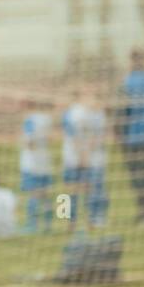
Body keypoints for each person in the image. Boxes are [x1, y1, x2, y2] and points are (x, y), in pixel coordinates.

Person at [114, 47, 144, 225]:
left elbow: (122, 111)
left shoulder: (127, 82)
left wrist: (119, 134)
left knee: (138, 176)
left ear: (132, 60)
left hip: (133, 138)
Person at [61, 85, 108, 229]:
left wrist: (86, 155)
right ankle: (68, 220)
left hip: (92, 159)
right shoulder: (72, 113)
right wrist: (82, 156)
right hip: (73, 158)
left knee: (93, 188)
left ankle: (94, 219)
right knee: (71, 189)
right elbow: (72, 136)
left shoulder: (98, 114)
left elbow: (97, 136)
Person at [19, 98, 53, 232]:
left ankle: (32, 224)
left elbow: (30, 142)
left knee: (33, 194)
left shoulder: (30, 120)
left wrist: (23, 143)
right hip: (45, 162)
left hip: (31, 163)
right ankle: (48, 224)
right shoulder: (47, 119)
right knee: (45, 194)